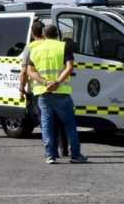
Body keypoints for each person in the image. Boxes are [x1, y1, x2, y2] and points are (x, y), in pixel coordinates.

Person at [27, 24, 87, 164]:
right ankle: (76, 155)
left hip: (43, 93)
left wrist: (44, 82)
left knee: (47, 124)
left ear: (44, 35)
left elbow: (30, 71)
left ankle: (50, 155)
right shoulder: (63, 46)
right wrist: (57, 82)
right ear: (57, 34)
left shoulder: (35, 48)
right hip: (61, 92)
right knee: (69, 124)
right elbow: (70, 67)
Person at [19, 20, 68, 157]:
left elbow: (24, 72)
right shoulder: (58, 45)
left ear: (33, 34)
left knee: (45, 121)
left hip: (40, 90)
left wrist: (22, 89)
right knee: (59, 120)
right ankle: (64, 149)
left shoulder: (31, 47)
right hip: (59, 87)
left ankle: (51, 151)